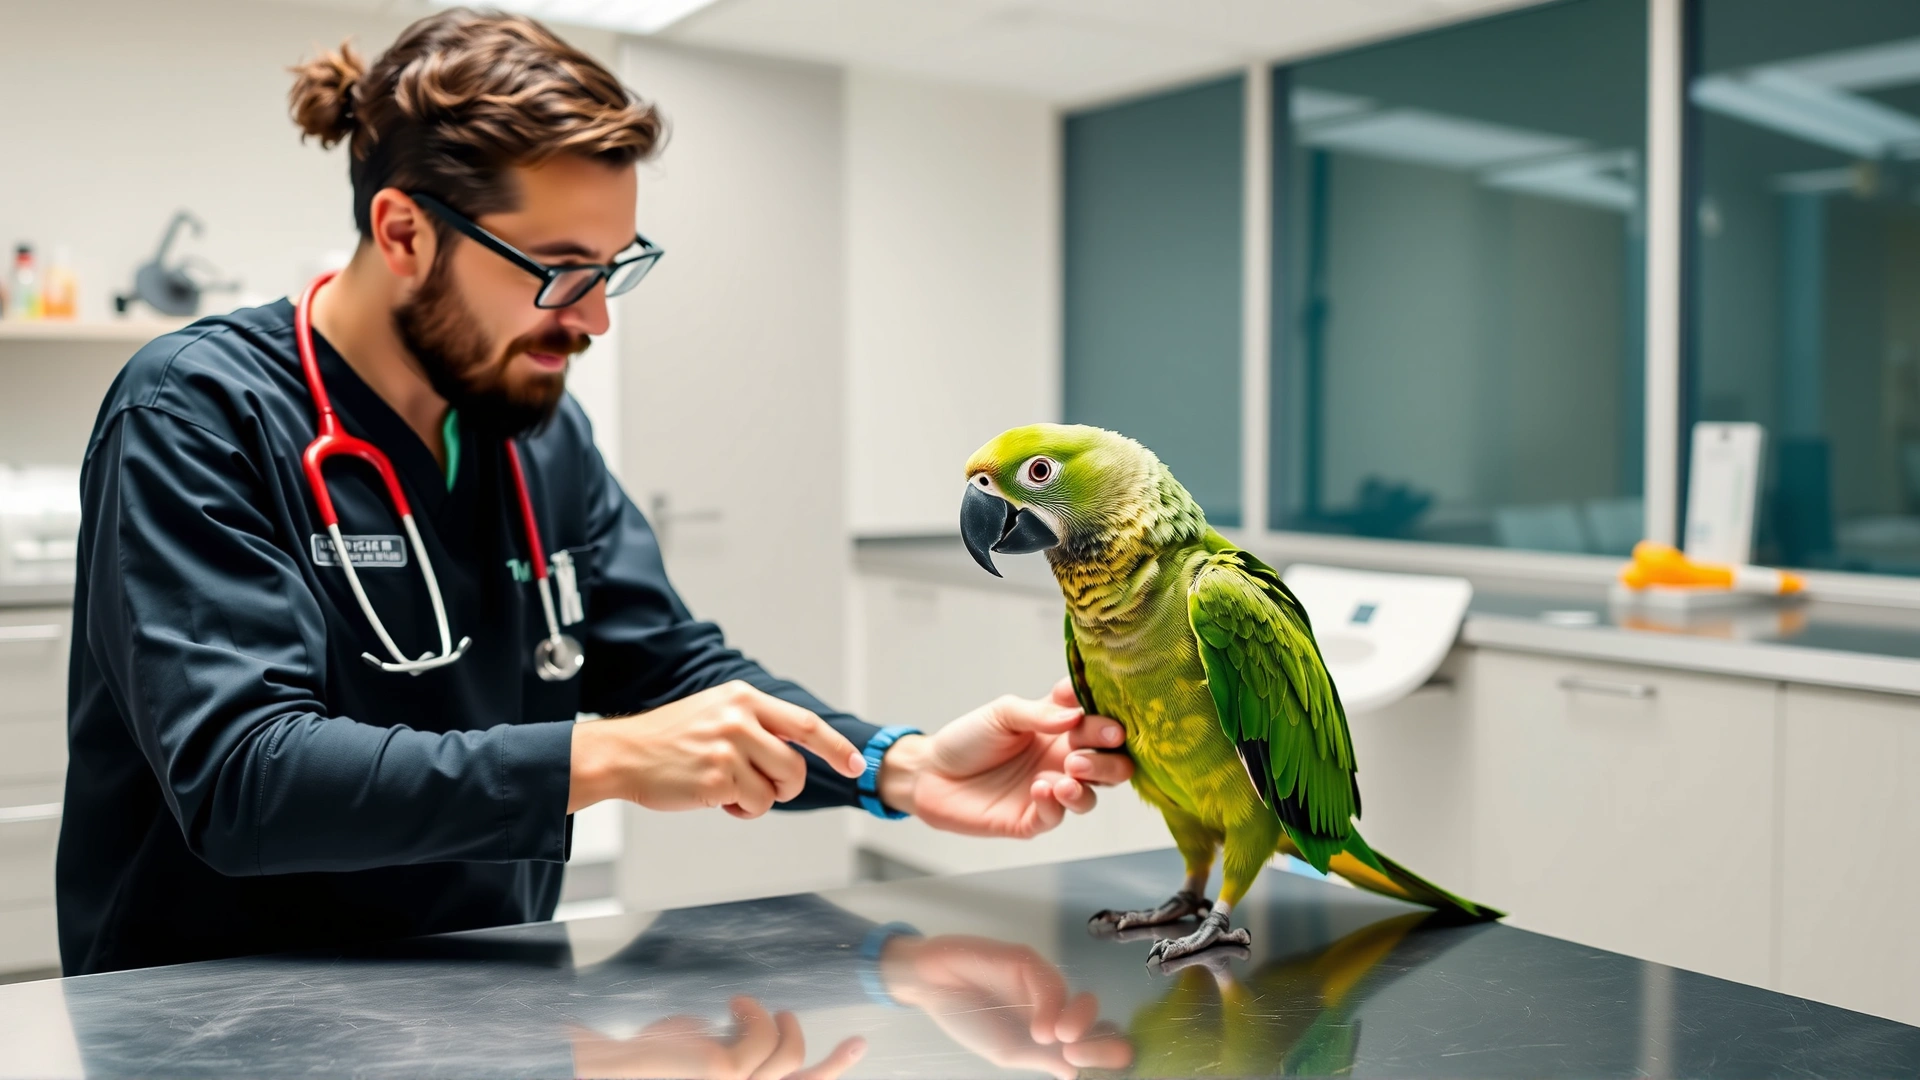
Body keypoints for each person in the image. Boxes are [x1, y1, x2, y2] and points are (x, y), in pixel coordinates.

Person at [56, 7, 1132, 977]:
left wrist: (893, 766)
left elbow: (674, 668)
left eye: (614, 268)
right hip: (223, 1018)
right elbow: (245, 777)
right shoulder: (197, 413)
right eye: (561, 270)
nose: (595, 320)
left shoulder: (540, 434)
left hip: (487, 995)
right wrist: (606, 757)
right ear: (403, 233)